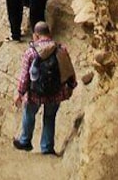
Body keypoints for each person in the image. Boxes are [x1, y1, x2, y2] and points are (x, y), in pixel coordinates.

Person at [12, 21, 77, 155]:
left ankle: (25, 141)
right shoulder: (61, 49)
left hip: (35, 94)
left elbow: (25, 76)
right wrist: (71, 86)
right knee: (50, 117)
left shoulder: (31, 52)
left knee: (29, 114)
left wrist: (20, 93)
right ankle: (47, 147)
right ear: (49, 34)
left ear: (36, 35)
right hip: (55, 93)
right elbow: (68, 69)